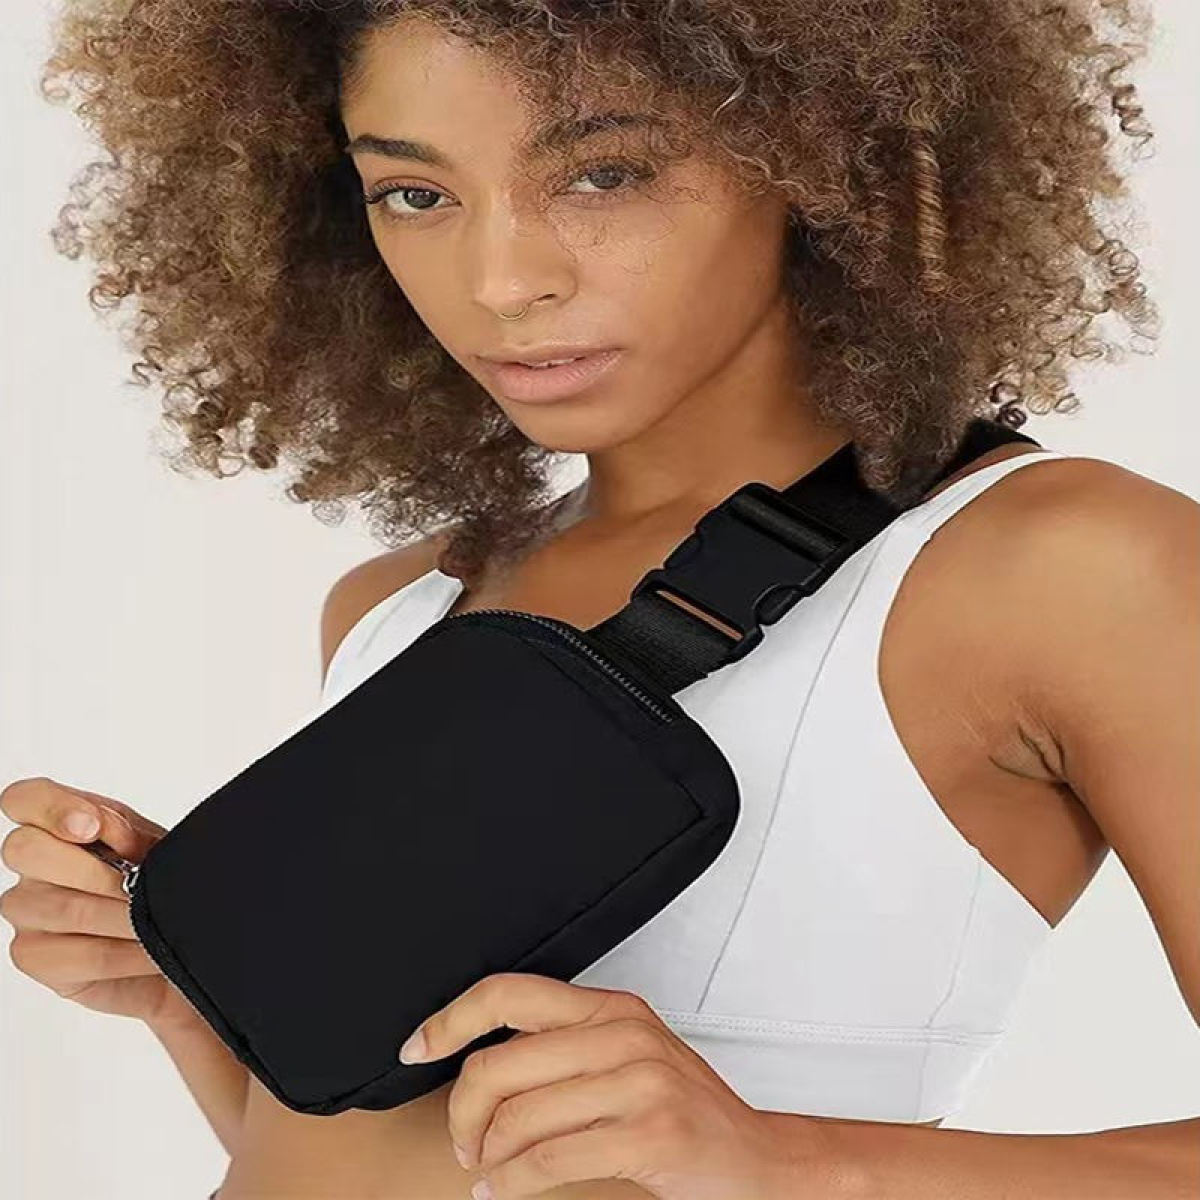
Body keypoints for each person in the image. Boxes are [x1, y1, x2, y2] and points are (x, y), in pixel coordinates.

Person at [3, 2, 1196, 1197]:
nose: (501, 281)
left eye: (603, 175)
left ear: (830, 158)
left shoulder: (1066, 570)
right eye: (415, 193)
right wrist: (188, 1004)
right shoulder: (400, 607)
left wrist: (786, 1161)